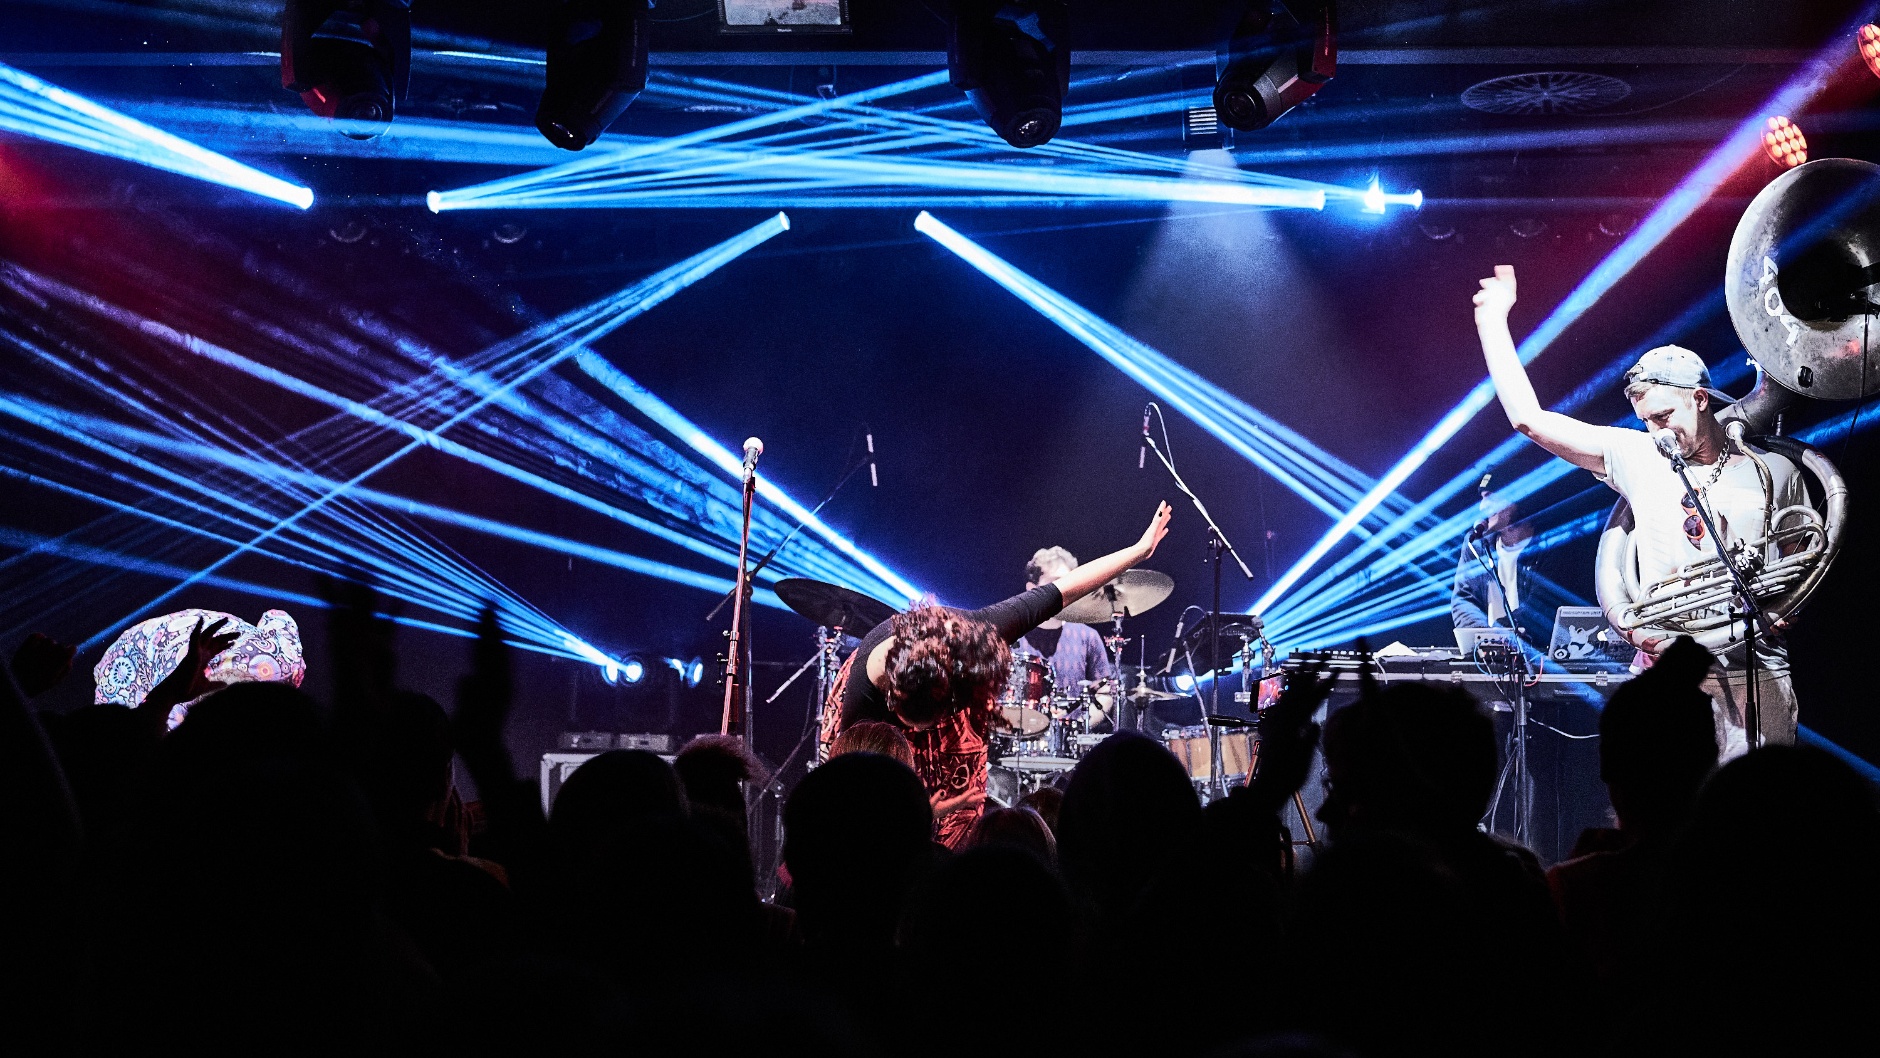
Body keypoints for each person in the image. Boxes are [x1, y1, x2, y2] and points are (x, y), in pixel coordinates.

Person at [1473, 265, 1805, 756]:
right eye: (1647, 421)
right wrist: (1493, 324)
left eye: (1665, 417)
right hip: (1666, 675)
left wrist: (1786, 610)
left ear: (1700, 399)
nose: (1658, 432)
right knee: (1663, 822)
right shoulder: (1640, 454)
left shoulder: (1773, 470)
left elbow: (1799, 564)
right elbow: (1529, 419)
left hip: (1756, 671)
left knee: (1759, 821)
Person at [823, 503, 1172, 846]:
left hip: (943, 690)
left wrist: (1138, 551)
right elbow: (856, 792)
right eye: (917, 724)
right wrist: (913, 816)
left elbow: (1064, 591)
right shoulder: (864, 690)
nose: (922, 733)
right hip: (873, 730)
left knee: (959, 816)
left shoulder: (981, 632)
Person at [1016, 546, 1115, 725]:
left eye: (1068, 583)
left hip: (1071, 746)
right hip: (1018, 742)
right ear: (1032, 589)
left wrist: (1079, 727)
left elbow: (1104, 693)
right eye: (1055, 583)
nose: (1064, 591)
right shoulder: (1013, 637)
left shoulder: (1088, 636)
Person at [1450, 494, 1550, 647]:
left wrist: (1500, 630)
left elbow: (1542, 607)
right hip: (1491, 657)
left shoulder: (1548, 544)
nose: (1483, 506)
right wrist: (1484, 637)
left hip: (1536, 654)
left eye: (1491, 496)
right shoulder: (1475, 545)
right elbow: (1463, 600)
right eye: (1482, 497)